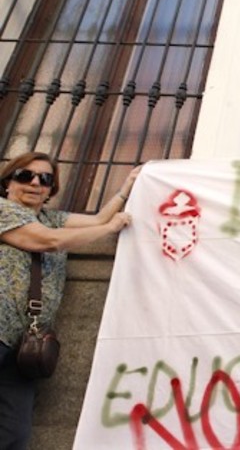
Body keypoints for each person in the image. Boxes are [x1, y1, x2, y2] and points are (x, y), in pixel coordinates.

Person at [0, 151, 139, 449]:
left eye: (45, 179)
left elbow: (98, 218)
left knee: (14, 432)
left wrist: (127, 186)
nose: (35, 183)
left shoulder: (50, 218)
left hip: (22, 344)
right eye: (25, 176)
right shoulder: (3, 209)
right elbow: (49, 241)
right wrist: (110, 229)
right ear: (7, 182)